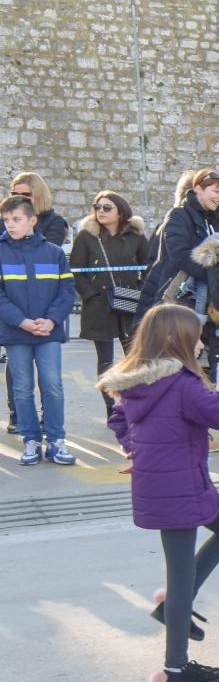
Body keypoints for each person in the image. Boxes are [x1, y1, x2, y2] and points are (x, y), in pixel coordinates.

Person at [103, 305, 219, 682]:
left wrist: (135, 449)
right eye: (196, 336)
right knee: (181, 573)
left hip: (177, 482)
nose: (202, 343)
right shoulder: (183, 385)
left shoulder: (138, 380)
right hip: (178, 486)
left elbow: (118, 419)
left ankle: (174, 607)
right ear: (176, 340)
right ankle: (176, 668)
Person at [1, 195, 77, 466]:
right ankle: (31, 440)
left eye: (16, 219)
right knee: (22, 389)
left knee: (52, 385)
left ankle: (56, 441)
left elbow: (66, 291)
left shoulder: (54, 253)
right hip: (16, 333)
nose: (10, 225)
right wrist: (21, 321)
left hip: (48, 332)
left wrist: (52, 320)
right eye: (6, 220)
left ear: (33, 220)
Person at [70, 191, 149, 420]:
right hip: (99, 305)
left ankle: (134, 406)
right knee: (105, 360)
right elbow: (76, 270)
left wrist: (139, 290)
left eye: (107, 208)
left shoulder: (135, 235)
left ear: (120, 211)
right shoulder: (86, 236)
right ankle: (112, 410)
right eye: (97, 207)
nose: (100, 212)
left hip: (129, 302)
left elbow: (148, 265)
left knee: (135, 358)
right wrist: (92, 295)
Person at [137, 169, 219, 319]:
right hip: (176, 298)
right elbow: (181, 256)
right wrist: (216, 275)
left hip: (209, 300)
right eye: (216, 191)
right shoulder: (178, 215)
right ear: (197, 188)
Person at [8, 172, 68, 246]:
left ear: (39, 196)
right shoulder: (5, 220)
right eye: (15, 195)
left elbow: (48, 251)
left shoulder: (54, 222)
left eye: (25, 195)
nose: (19, 199)